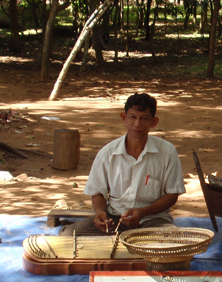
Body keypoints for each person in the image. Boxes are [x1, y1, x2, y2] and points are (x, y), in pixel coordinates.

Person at [59, 93, 186, 235]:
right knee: (68, 235)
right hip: (114, 218)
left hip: (152, 220)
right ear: (123, 118)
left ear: (153, 122)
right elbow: (97, 193)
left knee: (173, 241)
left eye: (144, 118)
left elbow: (172, 195)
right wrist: (100, 212)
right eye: (132, 117)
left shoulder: (167, 152)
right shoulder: (107, 153)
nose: (137, 124)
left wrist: (142, 212)